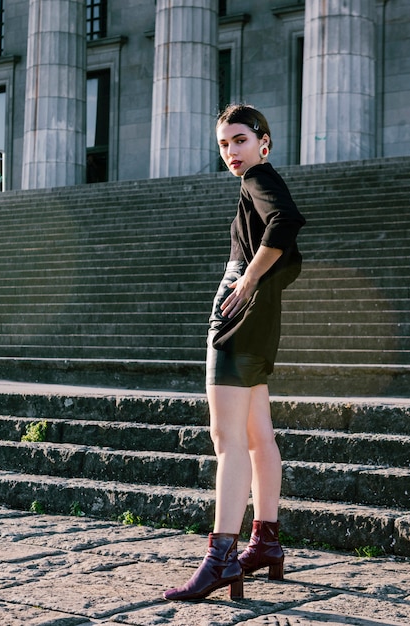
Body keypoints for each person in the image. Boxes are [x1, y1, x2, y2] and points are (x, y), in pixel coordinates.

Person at [163, 104, 306, 602]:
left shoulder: (258, 179)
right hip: (259, 322)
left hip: (238, 319)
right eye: (224, 144)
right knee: (256, 434)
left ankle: (221, 556)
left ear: (263, 142)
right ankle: (265, 540)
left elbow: (284, 223)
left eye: (240, 140)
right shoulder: (259, 181)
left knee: (227, 440)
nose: (231, 152)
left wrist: (246, 279)